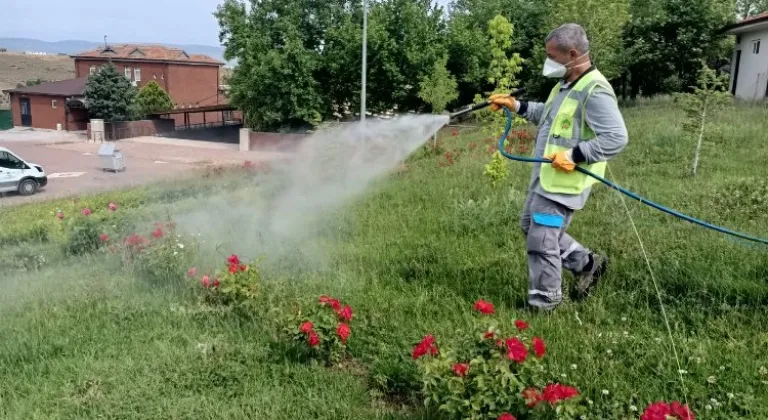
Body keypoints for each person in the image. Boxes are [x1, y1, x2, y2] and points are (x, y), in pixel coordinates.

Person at [488, 23, 629, 311]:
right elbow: (547, 116)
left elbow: (616, 138)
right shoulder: (565, 85)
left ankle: (545, 303)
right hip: (547, 177)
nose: (548, 61)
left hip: (565, 182)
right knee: (530, 226)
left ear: (573, 53)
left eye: (552, 56)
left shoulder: (595, 89)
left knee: (541, 240)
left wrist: (576, 155)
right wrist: (516, 105)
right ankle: (588, 264)